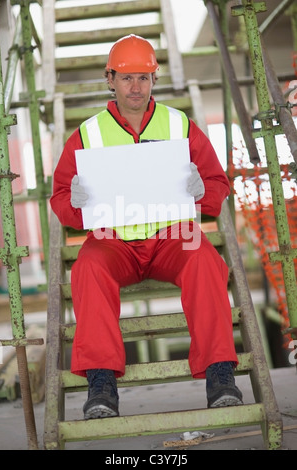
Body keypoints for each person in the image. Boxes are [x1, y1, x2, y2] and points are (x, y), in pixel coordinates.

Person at [50, 34, 243, 420]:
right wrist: (77, 202)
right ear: (110, 79)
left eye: (143, 77)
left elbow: (217, 182)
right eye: (126, 78)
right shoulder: (87, 134)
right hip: (113, 239)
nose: (135, 87)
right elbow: (59, 197)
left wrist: (202, 191)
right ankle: (101, 383)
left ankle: (220, 374)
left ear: (154, 79)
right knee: (87, 268)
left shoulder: (179, 125)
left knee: (205, 260)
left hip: (174, 235)